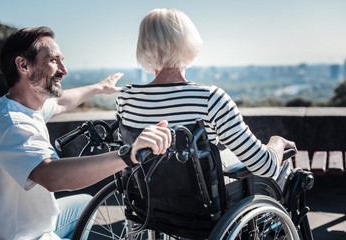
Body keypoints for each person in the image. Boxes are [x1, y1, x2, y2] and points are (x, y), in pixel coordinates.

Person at [0, 27, 172, 240]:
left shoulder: (25, 106)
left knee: (83, 204)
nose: (64, 70)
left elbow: (62, 101)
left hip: (29, 224)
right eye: (53, 60)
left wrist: (99, 87)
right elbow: (51, 176)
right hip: (21, 236)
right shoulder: (10, 123)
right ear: (23, 65)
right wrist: (128, 156)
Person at [116, 8, 297, 178]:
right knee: (282, 168)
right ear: (188, 43)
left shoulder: (125, 98)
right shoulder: (210, 98)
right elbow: (265, 166)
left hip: (143, 204)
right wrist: (277, 141)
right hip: (200, 207)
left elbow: (124, 158)